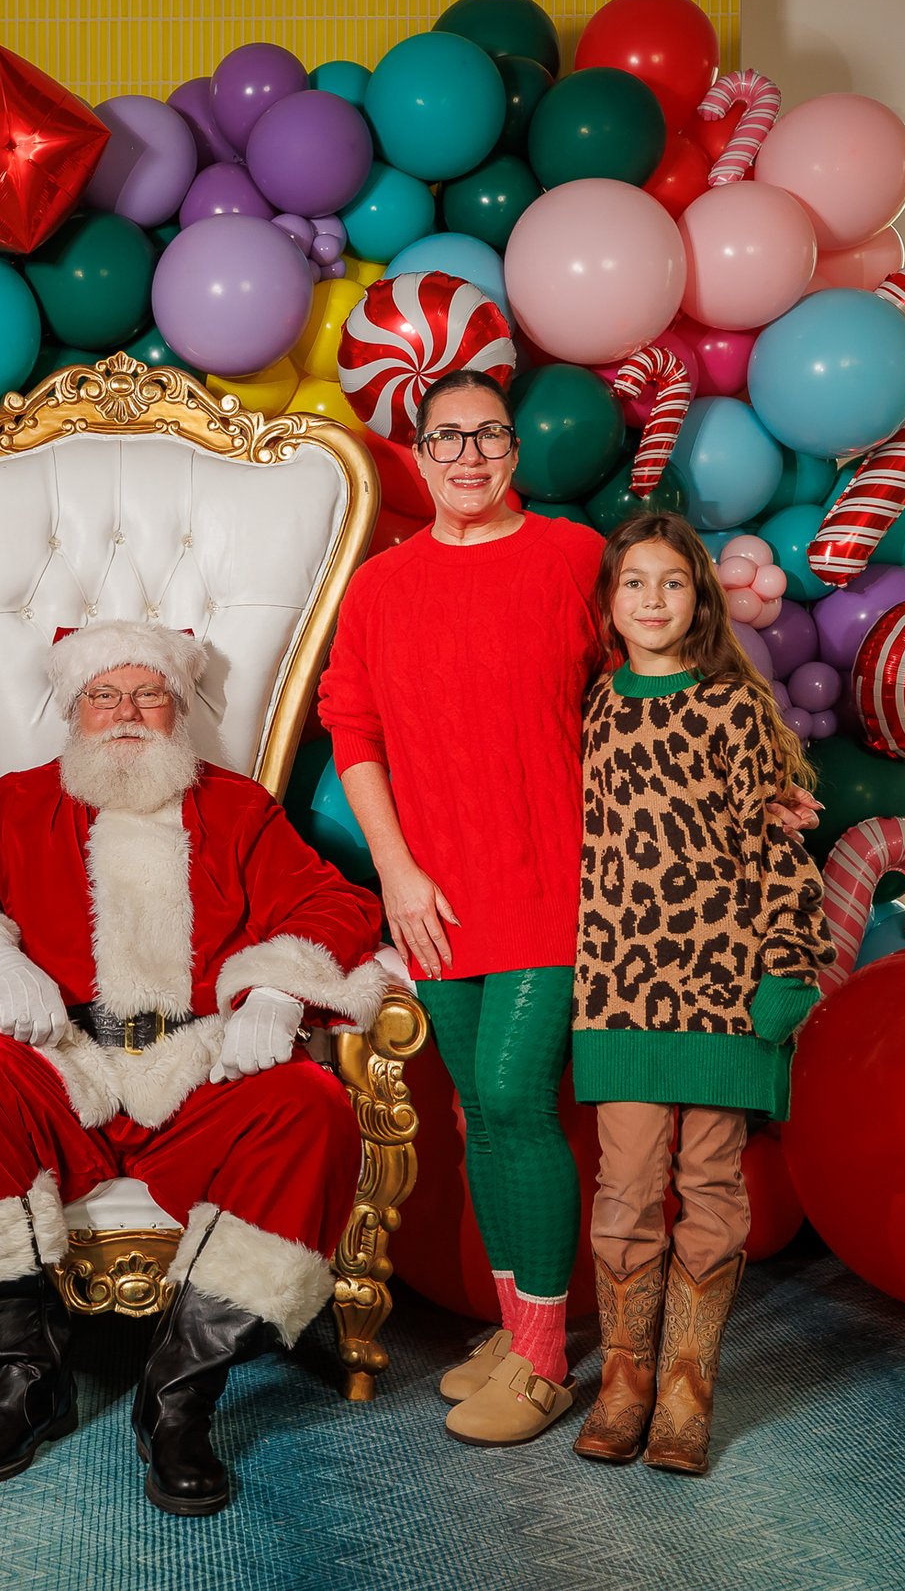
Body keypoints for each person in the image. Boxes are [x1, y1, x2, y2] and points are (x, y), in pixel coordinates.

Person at [0, 621, 389, 1518]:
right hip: (69, 1068)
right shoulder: (24, 803)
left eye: (148, 694)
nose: (126, 713)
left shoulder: (239, 808)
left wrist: (280, 995)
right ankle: (24, 1381)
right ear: (75, 711)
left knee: (314, 1102)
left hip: (199, 1073)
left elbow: (332, 900)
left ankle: (177, 1401)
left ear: (177, 709)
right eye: (104, 695)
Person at [317, 370, 607, 1447]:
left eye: (489, 435)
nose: (469, 455)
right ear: (420, 454)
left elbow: (660, 676)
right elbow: (352, 729)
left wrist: (754, 772)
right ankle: (513, 1325)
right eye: (448, 438)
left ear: (515, 451)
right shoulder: (382, 587)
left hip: (553, 878)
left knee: (514, 1097)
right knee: (474, 1112)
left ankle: (542, 1361)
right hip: (434, 891)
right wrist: (394, 869)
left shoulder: (575, 556)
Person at [569, 513, 829, 1477]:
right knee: (627, 1185)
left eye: (671, 583)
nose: (651, 601)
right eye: (633, 583)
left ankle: (686, 1386)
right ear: (609, 604)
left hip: (721, 987)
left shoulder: (732, 708)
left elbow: (776, 848)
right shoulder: (592, 709)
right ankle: (626, 1377)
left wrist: (785, 968)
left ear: (701, 599)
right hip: (620, 989)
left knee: (712, 1184)